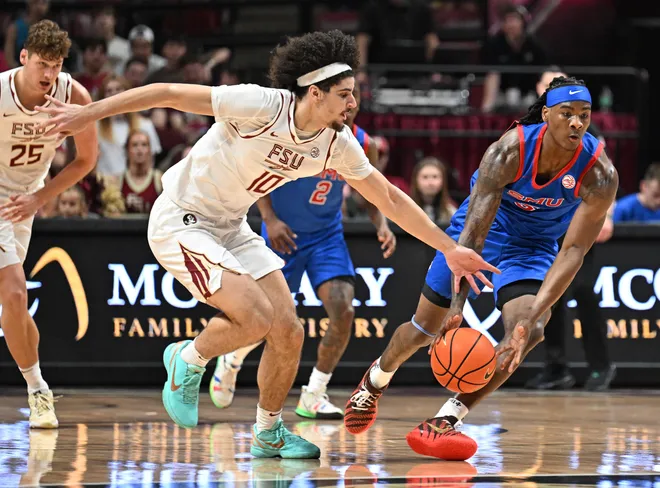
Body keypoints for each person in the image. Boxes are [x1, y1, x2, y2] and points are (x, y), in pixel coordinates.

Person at [35, 30, 496, 459]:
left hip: (232, 225)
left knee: (289, 330)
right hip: (183, 220)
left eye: (353, 93)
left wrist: (448, 248)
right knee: (255, 317)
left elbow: (390, 197)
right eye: (344, 94)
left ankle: (268, 431)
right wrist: (85, 113)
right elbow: (168, 93)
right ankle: (187, 358)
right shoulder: (261, 105)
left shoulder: (336, 143)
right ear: (314, 93)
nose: (353, 102)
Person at [343, 76, 618, 460]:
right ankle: (375, 381)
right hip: (482, 232)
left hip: (533, 246)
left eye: (584, 116)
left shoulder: (599, 173)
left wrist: (527, 321)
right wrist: (457, 306)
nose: (576, 123)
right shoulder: (508, 150)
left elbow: (572, 251)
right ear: (546, 115)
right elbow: (474, 234)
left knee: (530, 332)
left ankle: (446, 420)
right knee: (424, 329)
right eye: (566, 114)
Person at [209, 86, 396, 420]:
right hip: (283, 234)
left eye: (352, 103)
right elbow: (256, 176)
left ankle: (314, 393)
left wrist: (380, 223)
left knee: (343, 310)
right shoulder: (293, 133)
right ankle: (232, 359)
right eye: (342, 100)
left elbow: (369, 190)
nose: (348, 107)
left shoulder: (363, 144)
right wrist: (268, 218)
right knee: (268, 319)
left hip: (326, 235)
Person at [0, 20, 98, 428]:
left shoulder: (73, 95)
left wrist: (40, 198)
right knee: (16, 291)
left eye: (55, 65)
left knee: (15, 305)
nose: (48, 74)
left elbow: (86, 160)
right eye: (41, 63)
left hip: (26, 200)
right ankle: (38, 390)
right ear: (23, 57)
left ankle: (36, 383)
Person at [526, 70, 615, 391]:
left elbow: (604, 178)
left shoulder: (585, 133)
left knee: (584, 291)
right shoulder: (528, 136)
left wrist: (608, 214)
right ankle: (555, 367)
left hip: (580, 222)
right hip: (547, 225)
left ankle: (600, 366)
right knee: (552, 297)